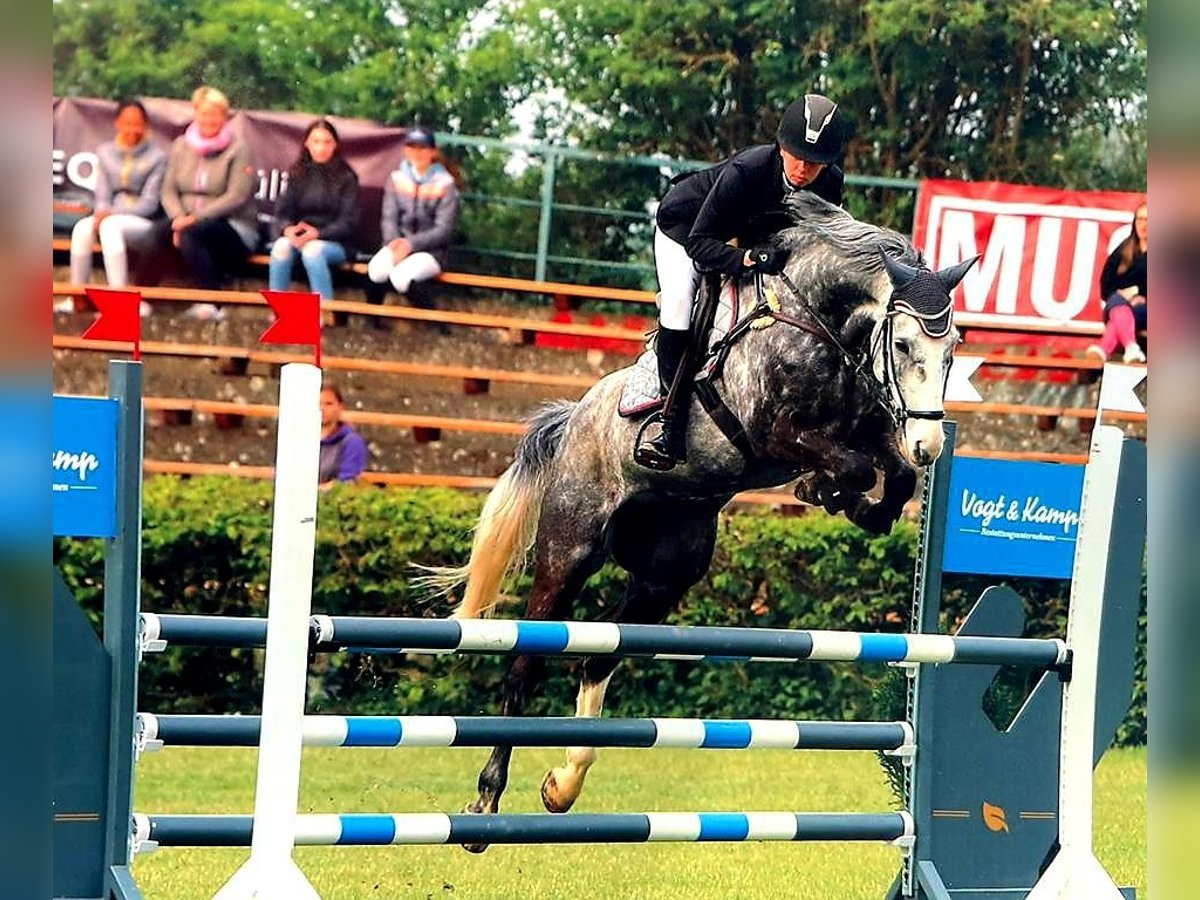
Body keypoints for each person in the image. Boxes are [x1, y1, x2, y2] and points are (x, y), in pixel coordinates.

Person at [634, 93, 850, 470]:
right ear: (782, 146)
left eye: (815, 163)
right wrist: (745, 258)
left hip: (749, 236)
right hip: (686, 229)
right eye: (798, 156)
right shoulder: (748, 169)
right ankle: (669, 425)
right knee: (680, 304)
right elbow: (701, 243)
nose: (804, 169)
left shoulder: (830, 184)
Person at [153, 86, 258, 319]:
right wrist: (178, 217)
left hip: (232, 226)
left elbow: (237, 195)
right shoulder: (181, 145)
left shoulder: (238, 148)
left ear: (224, 116)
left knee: (195, 233)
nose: (209, 119)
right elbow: (168, 189)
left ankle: (212, 302)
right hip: (186, 220)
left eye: (215, 113)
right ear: (196, 113)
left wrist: (193, 219)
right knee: (156, 232)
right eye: (204, 113)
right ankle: (141, 300)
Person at [65, 98, 166, 313]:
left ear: (146, 125)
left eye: (137, 123)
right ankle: (76, 297)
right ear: (117, 123)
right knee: (81, 229)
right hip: (108, 215)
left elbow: (150, 203)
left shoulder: (158, 157)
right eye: (126, 123)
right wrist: (102, 211)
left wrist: (110, 214)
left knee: (110, 227)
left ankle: (119, 301)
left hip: (142, 222)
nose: (132, 129)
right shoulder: (105, 152)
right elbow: (102, 193)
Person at [267, 118, 361, 300]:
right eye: (316, 142)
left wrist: (318, 233)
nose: (321, 148)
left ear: (335, 145)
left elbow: (349, 222)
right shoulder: (297, 174)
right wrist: (288, 230)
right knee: (280, 248)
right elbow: (282, 214)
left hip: (336, 243)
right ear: (307, 144)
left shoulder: (347, 178)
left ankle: (324, 311)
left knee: (313, 251)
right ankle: (278, 311)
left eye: (327, 142)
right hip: (301, 238)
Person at [366, 128, 460, 307]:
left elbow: (443, 230)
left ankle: (436, 324)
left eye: (422, 148)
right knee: (377, 270)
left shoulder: (446, 184)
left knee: (401, 276)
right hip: (398, 245)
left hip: (432, 251)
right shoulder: (396, 178)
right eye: (412, 147)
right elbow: (389, 217)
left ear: (433, 152)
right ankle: (372, 322)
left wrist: (411, 244)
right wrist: (394, 243)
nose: (417, 153)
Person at [1088, 202, 1147, 364]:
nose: (1144, 225)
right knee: (1117, 301)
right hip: (1120, 304)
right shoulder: (1124, 248)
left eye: (1149, 220)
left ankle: (1104, 350)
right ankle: (1131, 348)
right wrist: (1124, 295)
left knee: (1119, 314)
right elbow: (1106, 282)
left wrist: (1144, 296)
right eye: (1140, 219)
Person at [319, 384, 368, 488]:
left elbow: (347, 483)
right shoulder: (299, 440)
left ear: (340, 407)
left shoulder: (352, 442)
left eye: (329, 404)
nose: (322, 408)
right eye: (318, 404)